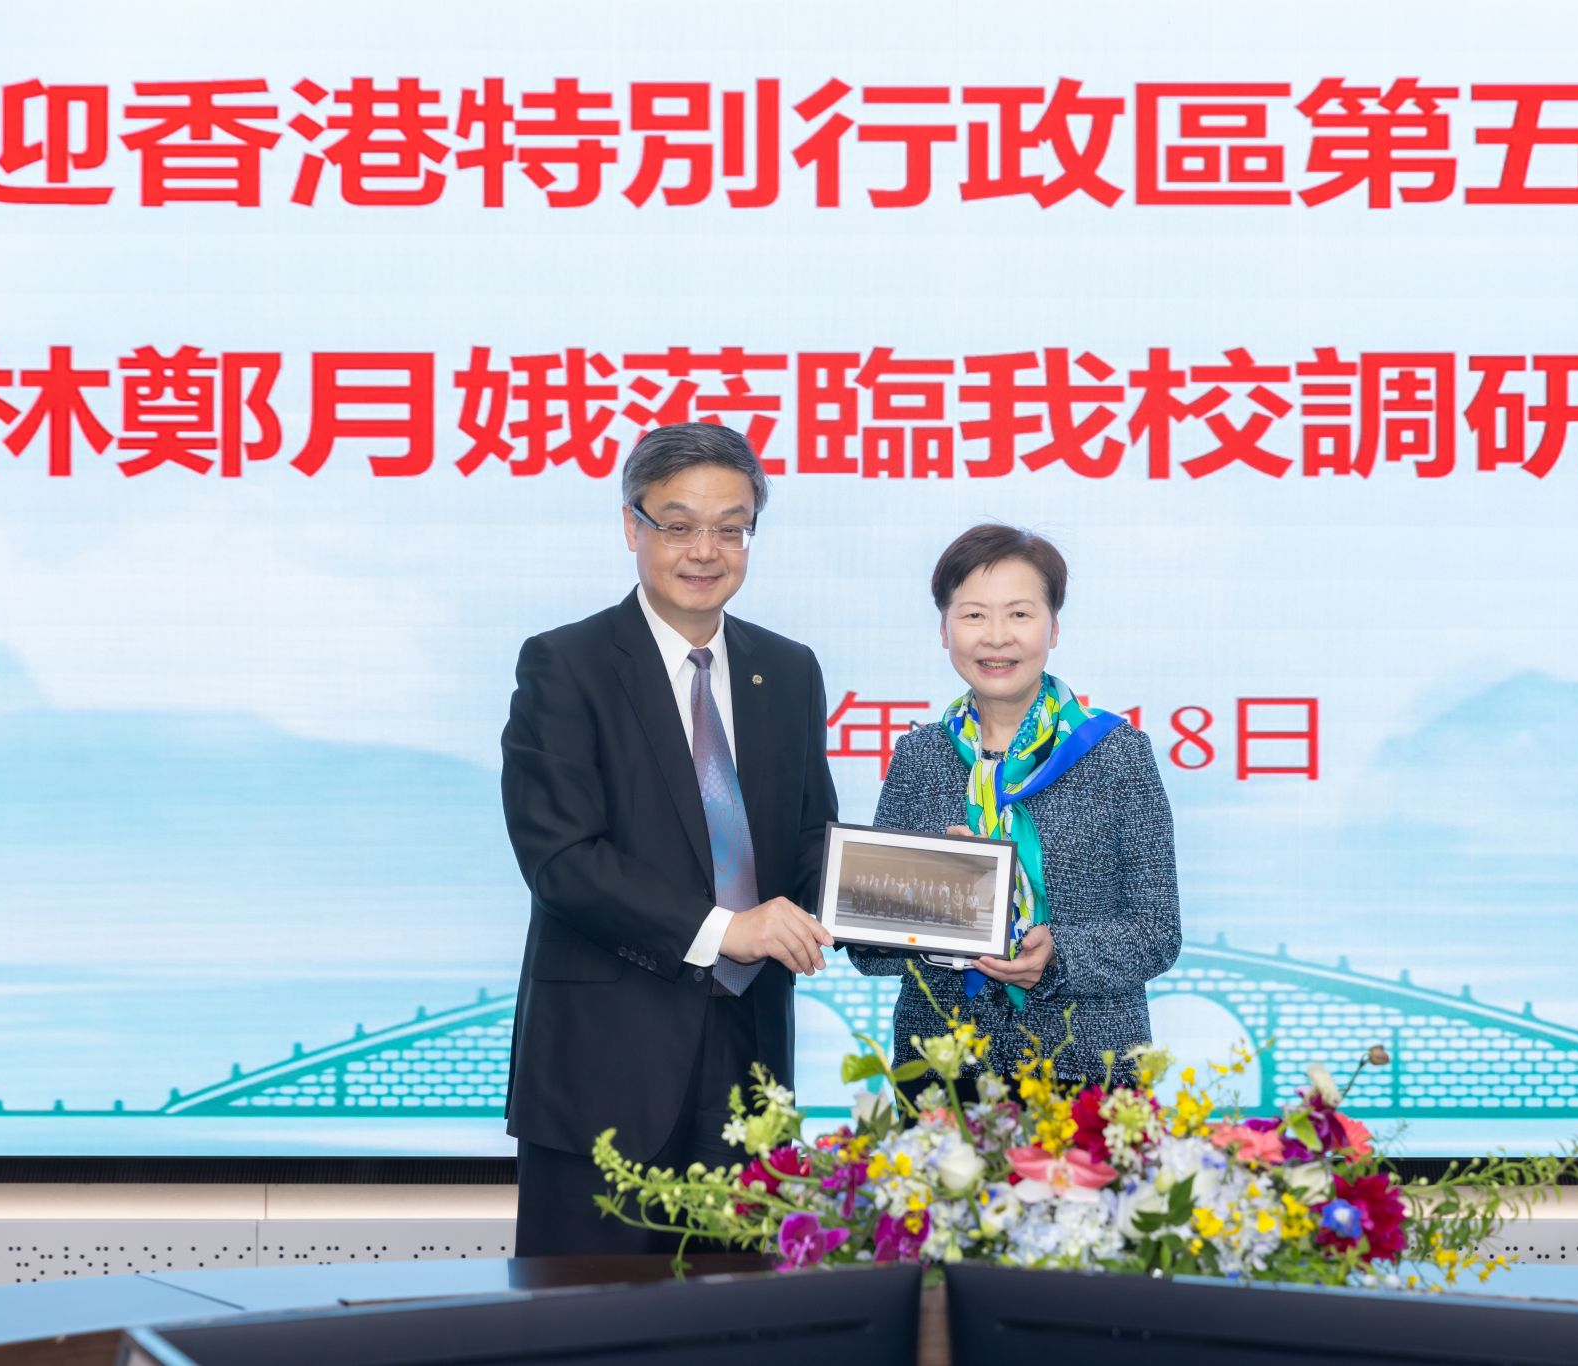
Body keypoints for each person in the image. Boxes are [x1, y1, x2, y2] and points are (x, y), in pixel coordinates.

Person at [500, 423, 838, 1256]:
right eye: (679, 525)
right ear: (632, 526)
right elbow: (561, 859)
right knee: (587, 1319)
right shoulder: (565, 665)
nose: (705, 550)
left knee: (741, 1315)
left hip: (750, 1065)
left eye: (731, 527)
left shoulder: (788, 669)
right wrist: (726, 930)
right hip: (602, 1075)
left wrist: (919, 893)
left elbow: (809, 841)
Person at [849, 524, 1180, 1087]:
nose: (996, 637)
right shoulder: (919, 756)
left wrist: (1060, 954)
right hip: (942, 1068)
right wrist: (940, 896)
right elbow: (870, 951)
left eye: (1020, 614)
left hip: (1089, 1066)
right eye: (974, 615)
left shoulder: (1116, 753)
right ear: (944, 629)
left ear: (1054, 628)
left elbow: (1158, 931)